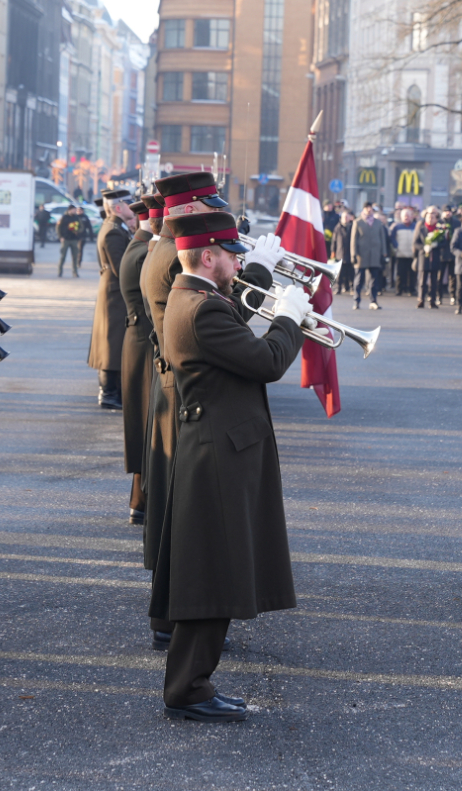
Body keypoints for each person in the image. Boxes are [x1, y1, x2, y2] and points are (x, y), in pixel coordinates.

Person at [150, 210, 307, 722]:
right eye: (232, 256)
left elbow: (236, 334)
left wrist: (269, 293)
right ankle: (187, 689)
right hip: (217, 453)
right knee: (211, 575)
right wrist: (290, 319)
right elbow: (267, 362)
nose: (238, 263)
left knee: (213, 571)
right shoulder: (201, 309)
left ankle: (191, 684)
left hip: (217, 447)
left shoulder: (196, 298)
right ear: (207, 256)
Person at [139, 173, 280, 654]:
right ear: (189, 211)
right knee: (191, 530)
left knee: (185, 526)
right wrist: (260, 276)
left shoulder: (170, 254)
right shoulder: (173, 260)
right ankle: (179, 628)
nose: (215, 211)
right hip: (191, 395)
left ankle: (175, 622)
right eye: (207, 205)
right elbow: (225, 321)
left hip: (185, 389)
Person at [118, 194, 160, 524]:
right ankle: (143, 501)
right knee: (148, 427)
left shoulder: (138, 245)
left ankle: (140, 502)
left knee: (144, 426)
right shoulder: (146, 252)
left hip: (138, 341)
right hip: (145, 345)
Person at [89, 189, 136, 410]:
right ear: (118, 207)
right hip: (114, 295)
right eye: (129, 204)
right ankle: (108, 393)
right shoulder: (113, 231)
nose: (132, 207)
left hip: (114, 294)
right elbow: (121, 269)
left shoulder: (116, 227)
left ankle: (112, 392)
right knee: (111, 345)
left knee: (113, 343)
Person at [350, 201, 388, 310]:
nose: (369, 209)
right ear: (364, 209)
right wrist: (353, 254)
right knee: (359, 280)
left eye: (370, 207)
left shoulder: (378, 223)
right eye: (367, 207)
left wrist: (384, 252)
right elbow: (353, 240)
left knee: (374, 280)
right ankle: (356, 301)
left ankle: (373, 301)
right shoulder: (358, 222)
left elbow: (382, 238)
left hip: (375, 255)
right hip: (361, 255)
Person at [414, 207, 448, 309]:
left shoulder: (439, 230)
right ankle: (421, 299)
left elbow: (444, 243)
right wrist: (424, 247)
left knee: (434, 281)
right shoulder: (421, 228)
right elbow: (415, 243)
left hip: (435, 257)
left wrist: (435, 245)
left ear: (436, 219)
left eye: (432, 218)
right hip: (423, 257)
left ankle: (432, 300)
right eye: (428, 217)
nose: (430, 219)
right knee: (422, 280)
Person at [389, 207, 418, 296]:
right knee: (400, 273)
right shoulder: (397, 226)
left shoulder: (415, 226)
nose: (406, 217)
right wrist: (396, 246)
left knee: (412, 273)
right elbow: (392, 238)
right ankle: (399, 289)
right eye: (405, 216)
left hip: (412, 254)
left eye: (408, 215)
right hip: (400, 253)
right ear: (401, 217)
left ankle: (411, 290)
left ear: (411, 216)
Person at [56, 204, 89, 276]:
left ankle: (75, 272)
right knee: (63, 256)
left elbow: (81, 227)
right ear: (70, 210)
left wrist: (78, 231)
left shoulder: (76, 218)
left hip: (74, 239)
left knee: (75, 257)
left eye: (75, 210)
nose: (75, 211)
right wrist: (60, 237)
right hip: (65, 239)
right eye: (74, 210)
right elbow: (58, 227)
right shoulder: (64, 217)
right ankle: (60, 271)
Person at [330, 206, 356, 296]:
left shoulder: (352, 227)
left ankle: (351, 288)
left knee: (351, 272)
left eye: (347, 217)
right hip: (340, 253)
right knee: (340, 273)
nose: (345, 218)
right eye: (344, 217)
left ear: (349, 218)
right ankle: (338, 288)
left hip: (350, 253)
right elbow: (334, 241)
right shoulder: (337, 228)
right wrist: (333, 251)